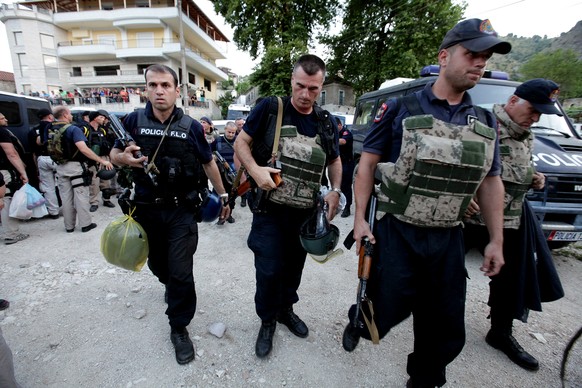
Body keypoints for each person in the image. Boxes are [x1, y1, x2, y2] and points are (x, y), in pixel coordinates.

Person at [341, 19, 510, 387]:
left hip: (449, 238)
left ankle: (424, 379)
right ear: (445, 56)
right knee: (385, 305)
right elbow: (367, 165)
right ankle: (361, 317)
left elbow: (491, 181)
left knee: (444, 327)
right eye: (472, 54)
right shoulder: (400, 107)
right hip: (400, 231)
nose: (480, 63)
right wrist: (359, 219)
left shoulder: (484, 122)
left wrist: (496, 239)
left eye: (485, 57)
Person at [110, 64, 230, 365]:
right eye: (153, 85)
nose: (159, 90)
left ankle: (179, 327)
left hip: (181, 211)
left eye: (165, 85)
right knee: (158, 265)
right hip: (146, 209)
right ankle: (168, 285)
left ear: (178, 90)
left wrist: (224, 195)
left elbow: (208, 162)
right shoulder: (133, 121)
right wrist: (123, 158)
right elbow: (113, 155)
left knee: (180, 271)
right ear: (146, 89)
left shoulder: (190, 126)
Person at [234, 54, 342, 359]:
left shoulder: (325, 121)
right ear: (291, 81)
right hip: (270, 211)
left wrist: (335, 191)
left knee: (294, 269)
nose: (305, 95)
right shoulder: (271, 108)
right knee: (268, 270)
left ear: (321, 86)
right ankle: (267, 320)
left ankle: (285, 311)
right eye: (300, 86)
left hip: (305, 214)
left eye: (313, 89)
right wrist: (254, 170)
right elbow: (241, 142)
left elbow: (334, 160)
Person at [463, 79, 565, 371]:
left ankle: (501, 332)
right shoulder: (480, 124)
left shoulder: (526, 134)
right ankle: (440, 327)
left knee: (512, 278)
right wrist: (465, 195)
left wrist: (533, 176)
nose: (534, 118)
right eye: (532, 110)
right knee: (446, 271)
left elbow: (515, 166)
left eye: (539, 114)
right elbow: (461, 163)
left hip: (510, 217)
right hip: (470, 216)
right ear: (512, 102)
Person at [51, 106, 113, 233]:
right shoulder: (73, 129)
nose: (71, 116)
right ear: (65, 114)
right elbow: (83, 149)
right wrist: (101, 160)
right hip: (75, 167)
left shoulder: (49, 129)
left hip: (60, 166)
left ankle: (69, 226)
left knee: (66, 198)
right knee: (81, 196)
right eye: (69, 114)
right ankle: (85, 224)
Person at [0, 112, 29, 244]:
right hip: (3, 171)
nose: (6, 119)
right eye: (2, 118)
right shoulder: (2, 132)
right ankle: (11, 234)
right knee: (5, 199)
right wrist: (22, 172)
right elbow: (11, 153)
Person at [83, 110, 115, 211]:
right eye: (101, 117)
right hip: (92, 159)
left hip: (104, 158)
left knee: (106, 180)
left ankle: (106, 199)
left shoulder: (103, 130)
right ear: (95, 118)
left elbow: (108, 144)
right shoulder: (85, 129)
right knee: (94, 182)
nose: (103, 119)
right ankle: (94, 202)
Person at [31, 108, 59, 219]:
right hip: (56, 159)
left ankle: (53, 212)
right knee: (63, 185)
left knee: (48, 188)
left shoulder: (34, 130)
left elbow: (33, 149)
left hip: (41, 159)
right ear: (50, 116)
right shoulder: (55, 127)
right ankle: (68, 208)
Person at [214, 121, 237, 224]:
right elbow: (209, 152)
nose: (231, 134)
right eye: (229, 132)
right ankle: (221, 216)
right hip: (220, 174)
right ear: (225, 130)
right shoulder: (218, 140)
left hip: (234, 174)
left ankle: (229, 215)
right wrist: (213, 157)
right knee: (220, 195)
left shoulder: (238, 141)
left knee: (232, 196)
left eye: (233, 132)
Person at [337, 118, 354, 217]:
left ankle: (347, 207)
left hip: (347, 163)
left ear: (340, 125)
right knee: (338, 186)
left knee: (346, 186)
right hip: (338, 163)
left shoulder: (346, 132)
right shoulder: (335, 132)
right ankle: (340, 204)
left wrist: (331, 139)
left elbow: (343, 141)